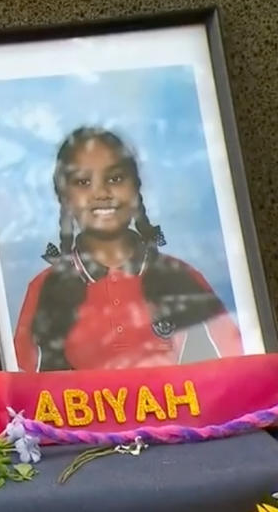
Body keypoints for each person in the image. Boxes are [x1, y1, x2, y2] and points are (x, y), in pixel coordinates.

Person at [13, 126, 243, 371]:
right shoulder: (45, 288)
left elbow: (226, 377)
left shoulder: (182, 278)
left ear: (136, 188)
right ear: (64, 196)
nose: (101, 193)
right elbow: (29, 392)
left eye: (115, 179)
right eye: (83, 182)